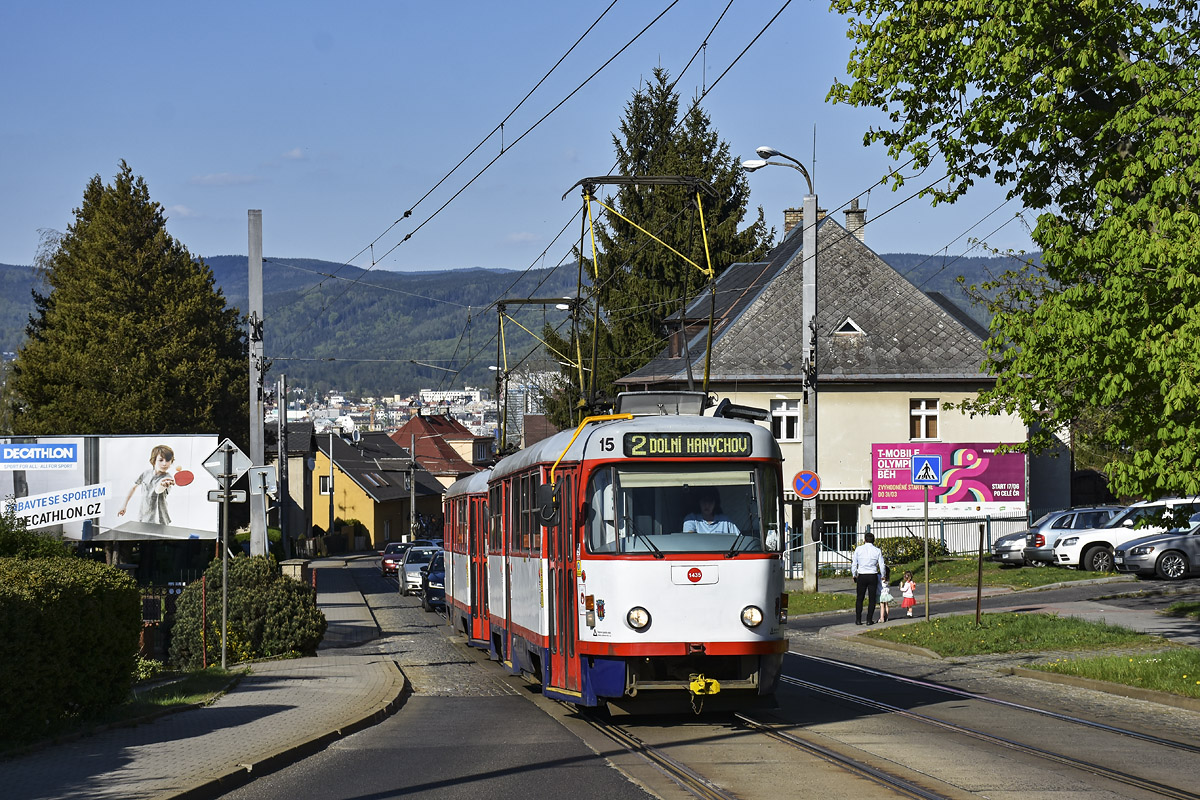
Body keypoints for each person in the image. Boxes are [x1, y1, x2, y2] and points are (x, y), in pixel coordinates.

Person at [118, 444, 176, 525]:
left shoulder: (168, 478)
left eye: (168, 460)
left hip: (159, 520)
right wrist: (124, 505)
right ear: (154, 460)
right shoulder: (146, 473)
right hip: (143, 516)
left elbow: (158, 490)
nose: (164, 463)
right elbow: (133, 488)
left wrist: (163, 485)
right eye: (161, 460)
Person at [850, 531, 887, 625]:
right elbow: (882, 565)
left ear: (864, 540)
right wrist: (883, 576)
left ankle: (858, 619)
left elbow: (854, 563)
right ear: (873, 541)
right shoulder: (877, 550)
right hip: (872, 575)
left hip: (862, 575)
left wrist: (854, 574)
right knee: (872, 599)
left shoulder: (858, 549)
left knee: (860, 598)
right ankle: (869, 619)